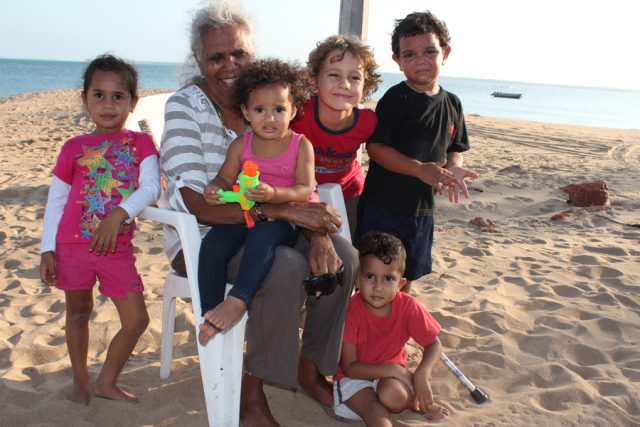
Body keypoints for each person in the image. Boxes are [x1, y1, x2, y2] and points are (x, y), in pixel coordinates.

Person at [159, 3, 357, 425]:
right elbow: (197, 203)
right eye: (217, 57)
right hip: (205, 236)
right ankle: (251, 394)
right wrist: (287, 212)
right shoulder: (185, 107)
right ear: (199, 60)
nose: (230, 64)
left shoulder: (270, 105)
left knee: (346, 257)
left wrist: (318, 233)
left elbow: (301, 185)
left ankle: (309, 367)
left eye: (239, 53)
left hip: (270, 224)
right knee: (284, 267)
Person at [39, 54, 160, 404]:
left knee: (136, 321)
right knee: (78, 313)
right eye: (99, 95)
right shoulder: (73, 148)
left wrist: (119, 214)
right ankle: (81, 380)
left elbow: (151, 187)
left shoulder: (141, 144)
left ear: (132, 102)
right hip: (70, 248)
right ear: (85, 99)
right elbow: (57, 200)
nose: (108, 104)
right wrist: (47, 248)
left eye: (118, 96)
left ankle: (106, 382)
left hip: (116, 250)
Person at [355, 11, 479, 293]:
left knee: (406, 274)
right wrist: (418, 169)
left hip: (421, 210)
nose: (420, 60)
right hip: (382, 206)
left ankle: (399, 318)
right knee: (374, 274)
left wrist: (454, 167)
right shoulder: (395, 99)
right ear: (397, 60)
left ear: (445, 53)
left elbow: (454, 148)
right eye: (409, 54)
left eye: (429, 51)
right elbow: (376, 148)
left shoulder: (453, 104)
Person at [197, 58, 316, 344]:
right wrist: (215, 189)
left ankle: (238, 300)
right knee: (212, 244)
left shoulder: (300, 145)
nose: (270, 118)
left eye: (279, 110)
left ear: (293, 110)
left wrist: (274, 194)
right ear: (246, 112)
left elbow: (304, 189)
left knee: (262, 237)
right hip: (246, 212)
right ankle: (209, 312)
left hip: (283, 217)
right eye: (260, 110)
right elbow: (225, 179)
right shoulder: (241, 145)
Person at [334, 231, 450, 425]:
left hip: (390, 378)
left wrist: (421, 374)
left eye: (388, 278)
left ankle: (414, 403)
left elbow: (434, 344)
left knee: (393, 396)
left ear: (401, 284)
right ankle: (411, 404)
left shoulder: (408, 306)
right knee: (375, 409)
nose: (378, 287)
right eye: (370, 276)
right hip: (355, 377)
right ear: (357, 280)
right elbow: (350, 367)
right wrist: (394, 370)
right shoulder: (351, 310)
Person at [291, 35, 380, 236]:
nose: (344, 84)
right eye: (334, 75)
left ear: (365, 87)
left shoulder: (368, 122)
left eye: (354, 77)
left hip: (349, 194)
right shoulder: (297, 116)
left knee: (351, 244)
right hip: (303, 195)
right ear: (313, 82)